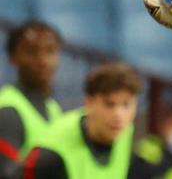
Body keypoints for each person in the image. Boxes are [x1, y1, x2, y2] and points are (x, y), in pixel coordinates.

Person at [21, 62, 161, 178]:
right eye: (109, 104)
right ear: (89, 103)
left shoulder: (125, 131)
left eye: (126, 104)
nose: (118, 115)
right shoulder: (53, 153)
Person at [0, 20, 63, 177]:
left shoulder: (53, 108)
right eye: (32, 52)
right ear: (13, 58)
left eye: (50, 51)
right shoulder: (8, 111)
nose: (43, 60)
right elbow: (7, 174)